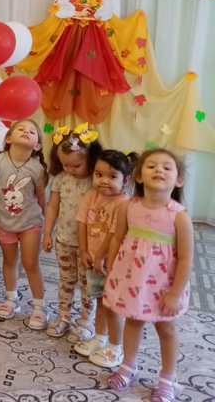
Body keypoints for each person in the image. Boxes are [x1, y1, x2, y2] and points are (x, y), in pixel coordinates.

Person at [18, 0, 147, 123]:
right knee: (67, 63)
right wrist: (78, 12)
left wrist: (94, 12)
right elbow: (60, 6)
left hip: (94, 34)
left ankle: (88, 102)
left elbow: (107, 9)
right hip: (72, 32)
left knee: (92, 65)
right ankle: (64, 100)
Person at [102, 149, 192, 401]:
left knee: (166, 328)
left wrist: (175, 294)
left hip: (164, 286)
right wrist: (112, 273)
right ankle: (128, 365)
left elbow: (186, 259)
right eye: (151, 166)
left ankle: (168, 378)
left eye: (167, 167)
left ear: (179, 180)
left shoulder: (179, 216)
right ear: (139, 176)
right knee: (133, 320)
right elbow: (117, 239)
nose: (159, 170)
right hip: (133, 280)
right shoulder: (128, 207)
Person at [0, 119, 49, 330]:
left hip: (30, 223)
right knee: (9, 260)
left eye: (32, 131)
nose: (26, 132)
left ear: (37, 146)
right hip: (4, 222)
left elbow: (42, 199)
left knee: (30, 262)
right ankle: (11, 298)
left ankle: (39, 306)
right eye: (21, 129)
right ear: (8, 138)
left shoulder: (38, 168)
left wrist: (48, 228)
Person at [73, 150, 135, 369]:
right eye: (99, 175)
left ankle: (115, 348)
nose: (104, 181)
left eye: (112, 176)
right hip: (93, 261)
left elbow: (113, 234)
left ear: (125, 181)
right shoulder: (91, 195)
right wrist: (84, 251)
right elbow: (82, 223)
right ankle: (100, 338)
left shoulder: (123, 202)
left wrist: (100, 256)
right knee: (100, 300)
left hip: (113, 264)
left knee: (112, 306)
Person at [41, 123, 102, 339]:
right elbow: (52, 207)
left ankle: (86, 321)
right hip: (64, 240)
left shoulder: (96, 182)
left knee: (87, 285)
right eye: (65, 164)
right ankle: (64, 316)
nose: (70, 169)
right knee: (65, 280)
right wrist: (47, 233)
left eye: (76, 165)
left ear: (91, 159)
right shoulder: (60, 179)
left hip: (90, 245)